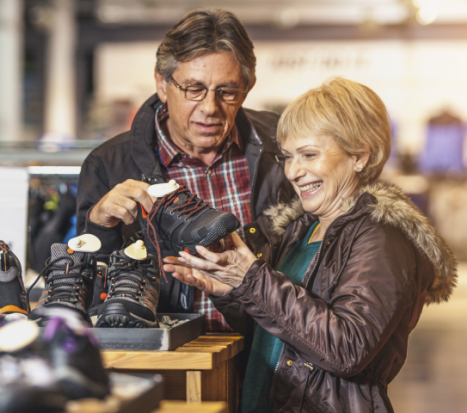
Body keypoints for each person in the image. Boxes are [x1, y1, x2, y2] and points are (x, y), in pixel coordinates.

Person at [163, 78, 457, 412]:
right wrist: (231, 291)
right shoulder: (301, 230)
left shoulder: (382, 238)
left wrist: (253, 280)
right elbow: (280, 336)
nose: (293, 171)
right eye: (288, 156)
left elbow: (347, 350)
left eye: (309, 155)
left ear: (360, 155)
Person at [76, 9, 294, 330]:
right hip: (171, 361)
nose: (209, 107)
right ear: (162, 85)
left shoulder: (283, 147)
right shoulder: (108, 163)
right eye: (194, 88)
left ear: (247, 88)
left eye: (227, 90)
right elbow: (88, 297)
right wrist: (99, 227)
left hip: (266, 359)